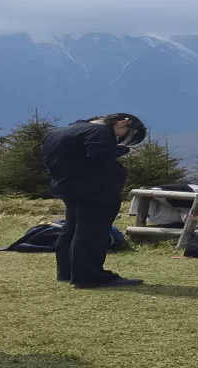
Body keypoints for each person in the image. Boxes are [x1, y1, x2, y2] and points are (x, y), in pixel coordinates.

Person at [42, 113, 145, 288]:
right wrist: (124, 150)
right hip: (94, 189)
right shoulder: (100, 131)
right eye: (125, 132)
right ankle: (89, 276)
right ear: (122, 123)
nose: (121, 137)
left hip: (67, 186)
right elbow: (98, 154)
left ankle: (67, 271)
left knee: (72, 228)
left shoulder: (63, 131)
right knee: (93, 231)